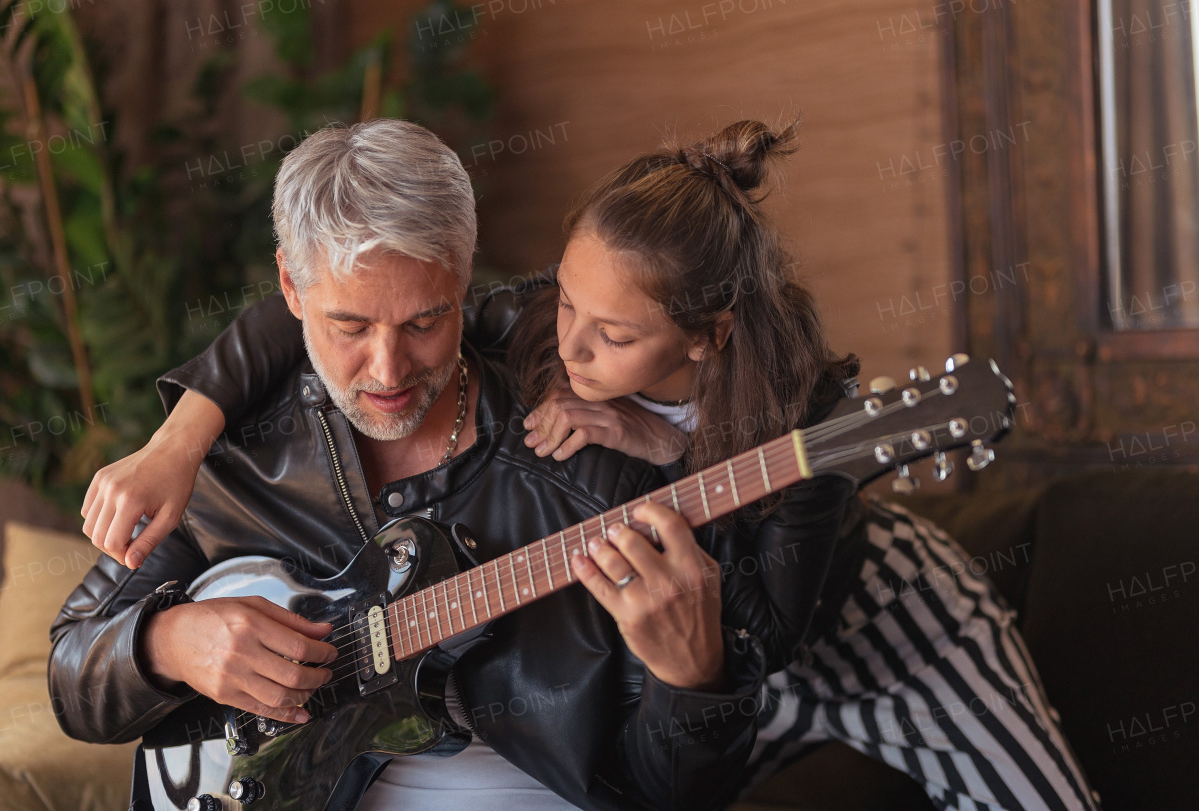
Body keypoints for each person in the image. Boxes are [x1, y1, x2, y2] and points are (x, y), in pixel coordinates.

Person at [81, 118, 1099, 811]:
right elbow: (315, 310)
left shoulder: (782, 421)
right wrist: (179, 442)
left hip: (838, 606)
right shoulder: (520, 335)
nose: (565, 349)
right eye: (559, 305)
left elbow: (758, 638)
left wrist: (670, 464)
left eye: (607, 335)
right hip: (703, 634)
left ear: (706, 335)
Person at [51, 119, 768, 811]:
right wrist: (169, 641)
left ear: (464, 279)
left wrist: (693, 678)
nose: (388, 368)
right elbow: (71, 671)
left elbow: (676, 788)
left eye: (426, 320)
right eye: (350, 326)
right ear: (291, 290)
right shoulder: (234, 457)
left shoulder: (588, 461)